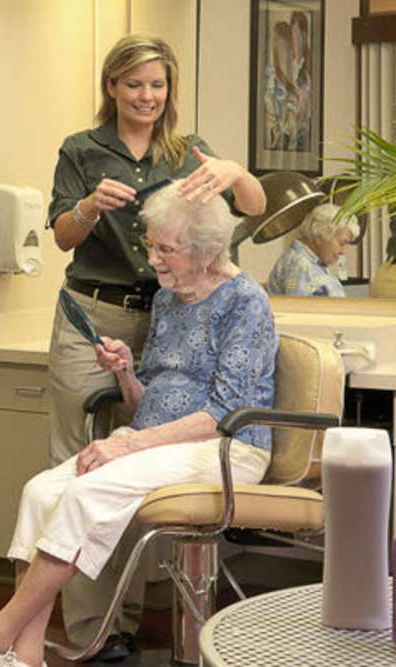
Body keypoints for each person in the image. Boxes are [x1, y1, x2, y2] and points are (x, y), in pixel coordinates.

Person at [0, 180, 276, 667]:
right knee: (40, 492)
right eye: (150, 245)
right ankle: (25, 658)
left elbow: (223, 414)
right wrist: (126, 372)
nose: (153, 259)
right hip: (157, 444)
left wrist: (127, 448)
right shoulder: (169, 298)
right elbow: (148, 401)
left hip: (227, 449)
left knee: (87, 493)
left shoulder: (244, 302)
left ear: (207, 251)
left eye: (167, 249)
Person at [43, 33, 267, 659]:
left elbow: (255, 207)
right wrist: (88, 206)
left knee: (135, 471)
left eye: (158, 84)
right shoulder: (81, 150)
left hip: (174, 314)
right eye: (135, 83)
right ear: (112, 86)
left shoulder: (188, 151)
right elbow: (63, 237)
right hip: (96, 314)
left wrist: (238, 173)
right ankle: (94, 633)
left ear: (169, 90)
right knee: (83, 460)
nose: (147, 95)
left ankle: (125, 617)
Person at [267, 203, 359, 297]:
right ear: (321, 234)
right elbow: (298, 310)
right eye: (342, 243)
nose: (343, 251)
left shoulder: (313, 263)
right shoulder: (300, 265)